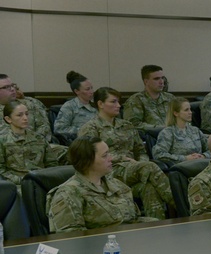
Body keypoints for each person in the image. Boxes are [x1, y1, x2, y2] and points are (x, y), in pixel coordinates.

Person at [77, 87, 175, 219]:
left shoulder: (127, 125)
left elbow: (140, 149)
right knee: (150, 167)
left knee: (149, 188)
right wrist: (124, 159)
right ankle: (182, 207)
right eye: (113, 102)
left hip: (133, 169)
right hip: (110, 171)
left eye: (118, 102)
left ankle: (157, 226)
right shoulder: (90, 128)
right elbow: (90, 156)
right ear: (100, 104)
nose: (118, 105)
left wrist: (140, 161)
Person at [46, 136, 155, 232]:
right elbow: (72, 237)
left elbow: (134, 220)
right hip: (101, 249)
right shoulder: (68, 194)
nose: (111, 158)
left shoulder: (117, 185)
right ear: (87, 161)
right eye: (105, 155)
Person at [0, 101, 67, 188]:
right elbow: (1, 170)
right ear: (8, 119)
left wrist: (45, 179)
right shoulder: (2, 140)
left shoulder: (39, 138)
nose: (25, 118)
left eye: (27, 114)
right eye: (19, 115)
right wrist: (23, 181)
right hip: (15, 185)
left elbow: (51, 164)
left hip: (41, 182)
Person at [154, 97, 210, 163]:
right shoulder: (168, 133)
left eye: (190, 109)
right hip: (180, 169)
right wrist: (185, 158)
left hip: (199, 165)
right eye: (186, 110)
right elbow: (159, 154)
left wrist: (203, 156)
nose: (190, 112)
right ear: (176, 113)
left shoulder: (195, 130)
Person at [123, 64, 174, 131]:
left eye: (162, 78)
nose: (161, 82)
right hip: (151, 138)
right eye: (156, 79)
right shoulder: (136, 100)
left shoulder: (170, 98)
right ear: (146, 82)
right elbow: (133, 124)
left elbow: (182, 117)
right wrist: (161, 128)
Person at [0, 74, 51, 141]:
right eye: (6, 87)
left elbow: (44, 127)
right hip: (8, 147)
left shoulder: (31, 103)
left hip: (38, 144)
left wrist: (35, 142)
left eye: (12, 85)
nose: (12, 89)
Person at [53, 70, 97, 141]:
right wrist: (84, 130)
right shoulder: (70, 106)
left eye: (92, 88)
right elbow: (59, 129)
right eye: (87, 89)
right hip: (80, 143)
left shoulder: (97, 104)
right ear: (77, 91)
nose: (91, 92)